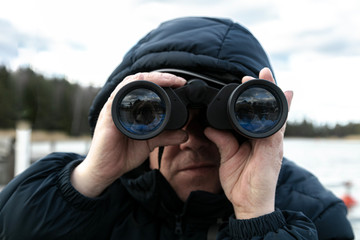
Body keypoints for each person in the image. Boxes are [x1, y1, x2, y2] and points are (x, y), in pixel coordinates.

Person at [0, 17, 354, 240]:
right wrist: (90, 177)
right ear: (122, 122)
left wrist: (258, 218)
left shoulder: (315, 217)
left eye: (225, 119)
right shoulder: (91, 194)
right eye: (149, 112)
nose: (193, 141)